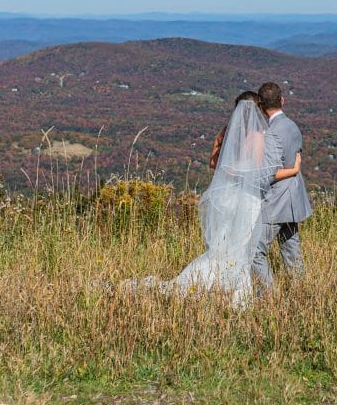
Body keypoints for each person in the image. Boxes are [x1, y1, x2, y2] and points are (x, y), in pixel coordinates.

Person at [129, 93, 301, 307]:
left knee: (223, 246)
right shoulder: (257, 135)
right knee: (242, 245)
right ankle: (239, 290)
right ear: (258, 109)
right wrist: (292, 169)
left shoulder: (227, 132)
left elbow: (214, 164)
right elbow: (257, 173)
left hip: (226, 196)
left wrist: (230, 171)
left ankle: (208, 282)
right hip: (245, 198)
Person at [251, 82, 312, 291]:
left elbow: (269, 173)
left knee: (255, 251)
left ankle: (269, 295)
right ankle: (300, 292)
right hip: (293, 198)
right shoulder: (292, 125)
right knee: (291, 248)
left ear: (260, 106)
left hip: (277, 201)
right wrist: (294, 170)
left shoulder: (272, 133)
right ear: (282, 100)